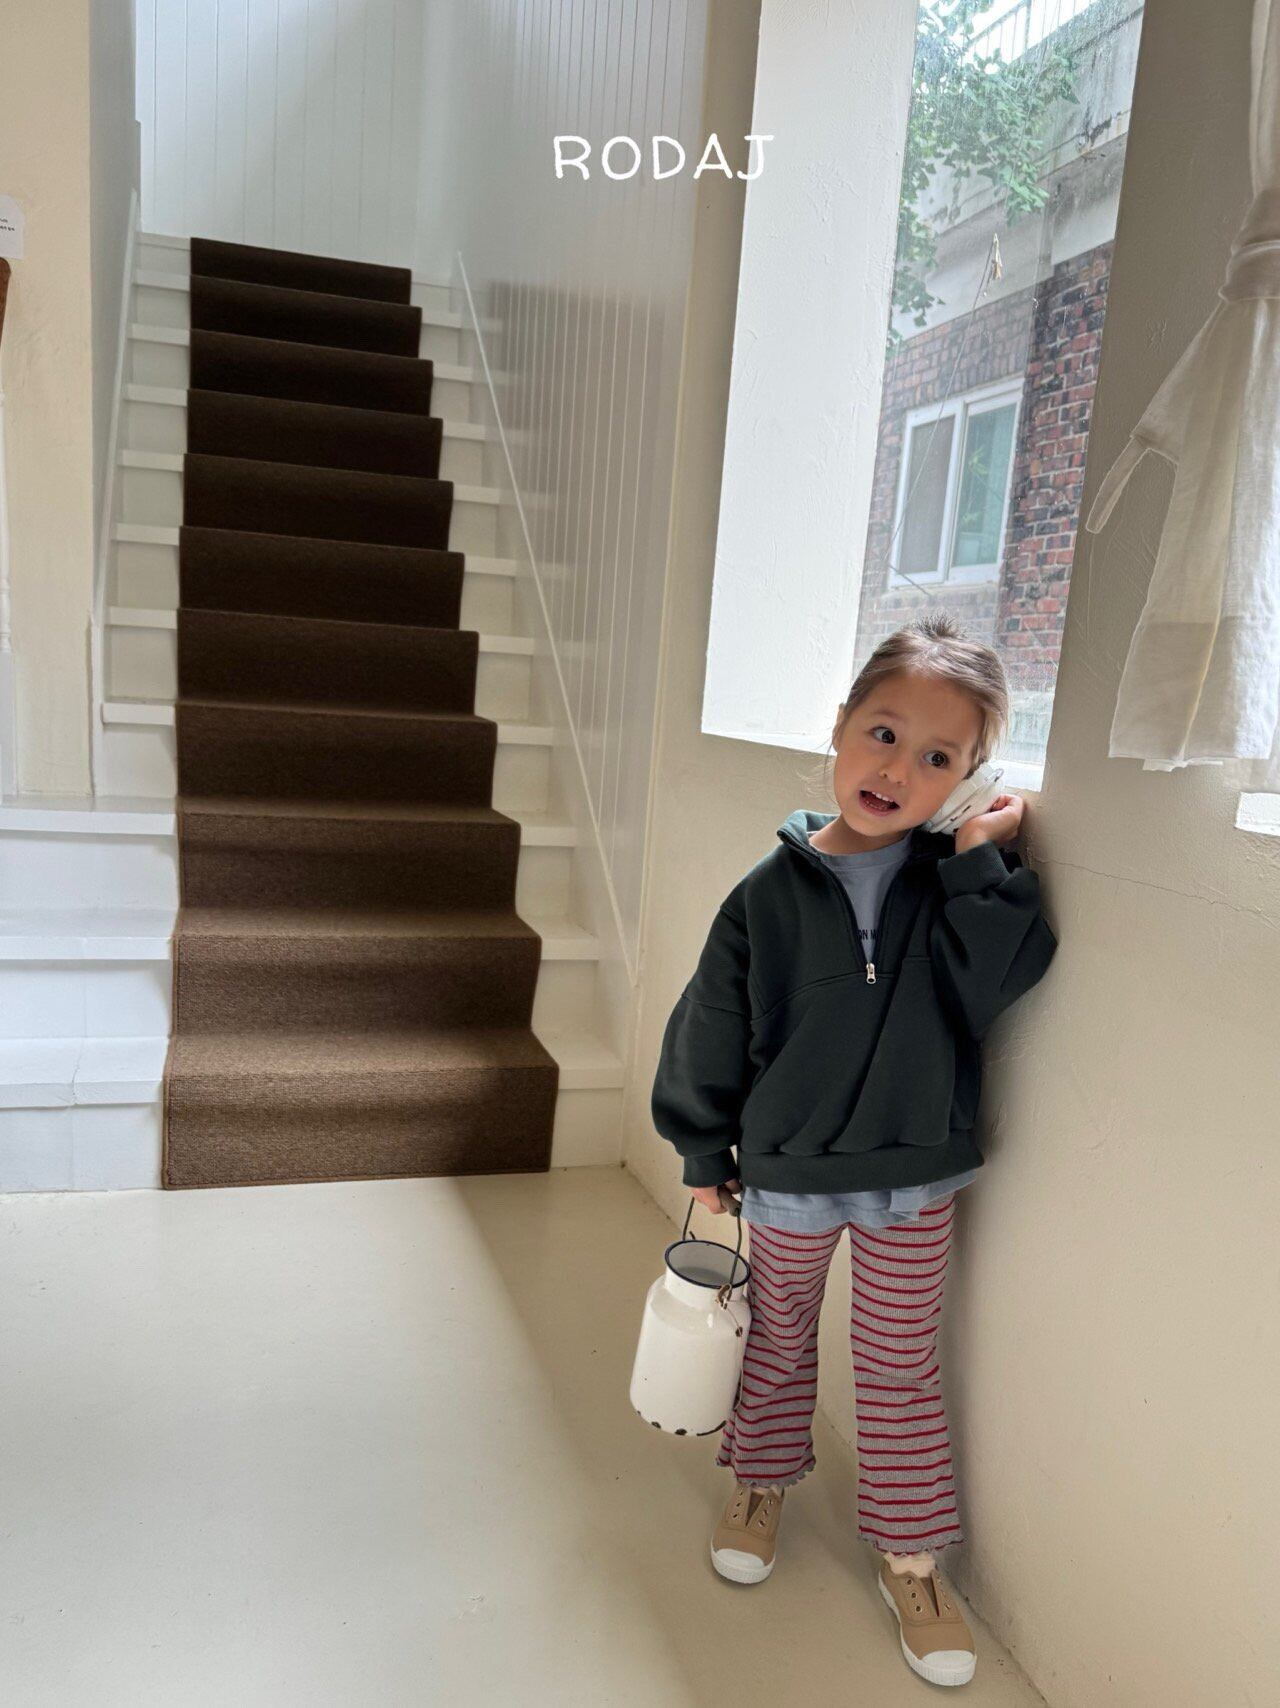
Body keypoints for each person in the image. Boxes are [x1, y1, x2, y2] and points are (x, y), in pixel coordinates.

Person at [650, 613, 1058, 1689]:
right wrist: (702, 1148)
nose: (897, 770)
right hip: (786, 1173)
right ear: (838, 727)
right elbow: (707, 1027)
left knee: (896, 1364)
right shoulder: (763, 896)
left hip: (912, 1174)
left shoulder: (948, 880)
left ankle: (910, 1557)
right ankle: (758, 1481)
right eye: (882, 734)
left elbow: (999, 979)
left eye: (938, 758)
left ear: (968, 778)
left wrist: (976, 858)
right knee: (779, 1339)